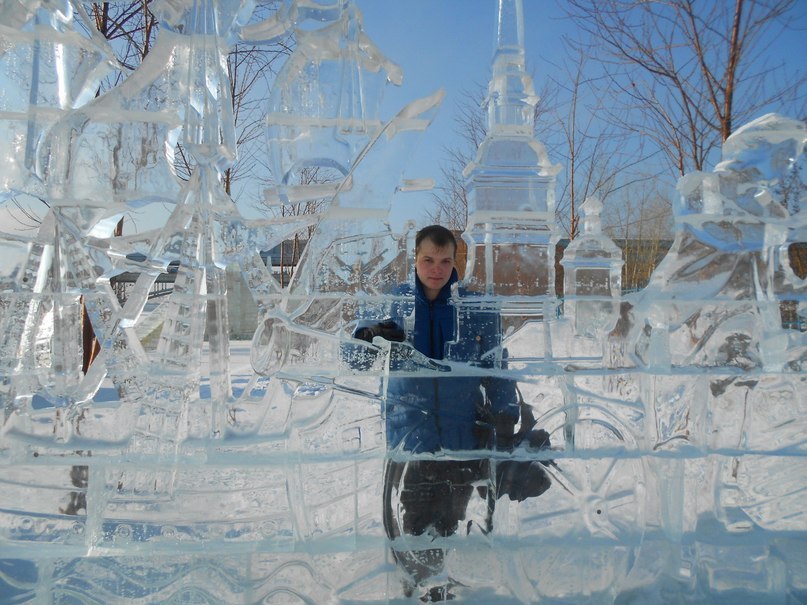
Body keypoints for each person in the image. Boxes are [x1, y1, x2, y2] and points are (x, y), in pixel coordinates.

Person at [353, 225, 550, 601]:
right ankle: (417, 590)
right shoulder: (392, 303)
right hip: (411, 441)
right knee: (410, 528)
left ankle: (439, 591)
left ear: (455, 261)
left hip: (461, 441)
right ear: (415, 259)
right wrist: (370, 335)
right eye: (428, 259)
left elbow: (496, 366)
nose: (436, 269)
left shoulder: (474, 305)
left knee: (448, 525)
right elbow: (354, 357)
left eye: (445, 261)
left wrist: (506, 418)